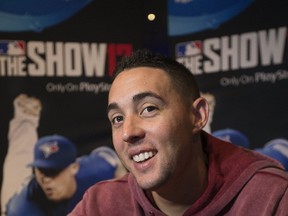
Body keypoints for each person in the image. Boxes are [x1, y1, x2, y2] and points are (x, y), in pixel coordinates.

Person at [69, 49, 288, 216]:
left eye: (149, 109)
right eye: (117, 119)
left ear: (198, 116)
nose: (128, 132)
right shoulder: (100, 205)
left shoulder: (272, 197)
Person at [1, 94, 126, 216]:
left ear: (74, 168)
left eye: (53, 171)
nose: (46, 180)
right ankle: (25, 119)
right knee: (18, 166)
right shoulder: (23, 208)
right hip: (15, 204)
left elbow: (111, 160)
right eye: (41, 171)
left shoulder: (92, 170)